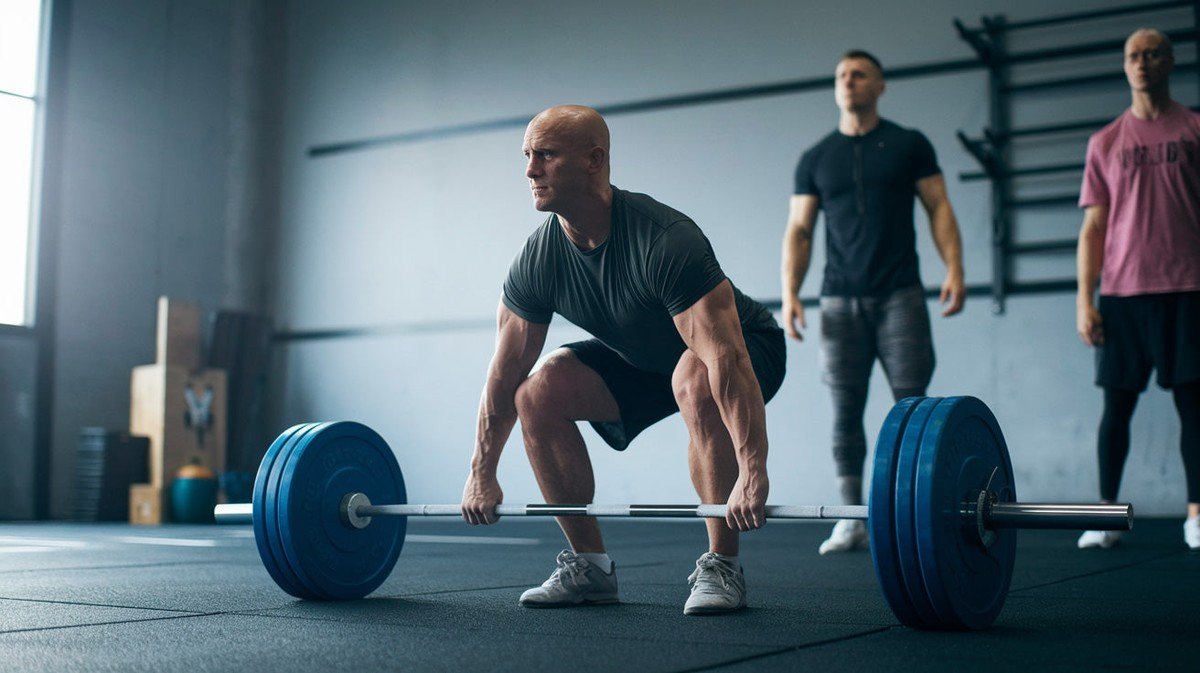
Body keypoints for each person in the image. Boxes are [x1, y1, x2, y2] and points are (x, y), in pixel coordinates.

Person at [461, 105, 787, 614]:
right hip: (643, 360)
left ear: (594, 160)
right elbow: (504, 375)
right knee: (536, 392)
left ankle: (722, 566)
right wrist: (482, 470)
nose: (529, 170)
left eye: (544, 155)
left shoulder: (664, 239)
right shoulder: (538, 259)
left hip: (746, 352)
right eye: (527, 156)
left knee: (695, 375)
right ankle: (589, 567)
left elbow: (726, 359)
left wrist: (753, 470)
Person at [780, 49, 965, 555]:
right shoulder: (817, 157)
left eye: (859, 74)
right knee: (845, 410)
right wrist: (792, 293)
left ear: (880, 85)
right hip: (839, 300)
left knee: (912, 408)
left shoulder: (908, 145)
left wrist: (955, 269)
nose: (848, 81)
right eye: (841, 74)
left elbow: (939, 207)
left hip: (900, 293)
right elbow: (799, 229)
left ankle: (910, 512)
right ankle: (851, 519)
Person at [1075, 28, 1200, 550]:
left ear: (1169, 61)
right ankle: (1105, 513)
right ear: (1124, 66)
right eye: (1133, 55)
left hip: (1189, 287)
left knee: (1194, 407)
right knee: (1117, 408)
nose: (1142, 62)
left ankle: (1196, 514)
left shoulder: (1195, 130)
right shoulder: (1105, 141)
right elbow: (1094, 229)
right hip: (1123, 294)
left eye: (1152, 53)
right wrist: (1085, 300)